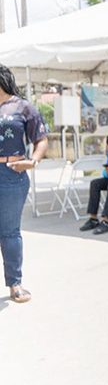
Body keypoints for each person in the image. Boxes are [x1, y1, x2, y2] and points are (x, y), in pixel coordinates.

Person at [0, 65, 48, 304]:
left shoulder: (23, 107)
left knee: (9, 231)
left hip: (11, 172)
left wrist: (33, 161)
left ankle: (14, 283)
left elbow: (41, 139)